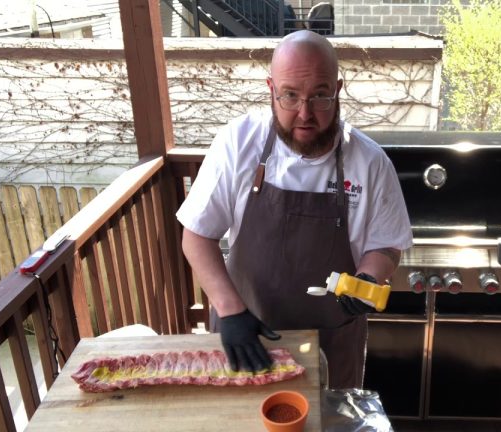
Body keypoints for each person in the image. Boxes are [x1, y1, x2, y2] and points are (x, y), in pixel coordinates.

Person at [176, 30, 412, 389]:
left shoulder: (369, 162)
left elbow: (385, 245)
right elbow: (196, 235)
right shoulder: (239, 143)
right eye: (290, 96)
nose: (305, 114)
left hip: (333, 342)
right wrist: (230, 310)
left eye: (319, 95)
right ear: (271, 89)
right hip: (248, 334)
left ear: (338, 89)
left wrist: (368, 278)